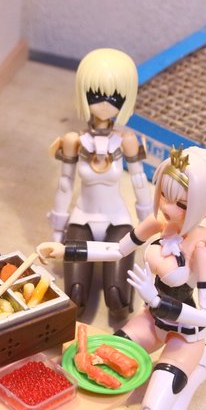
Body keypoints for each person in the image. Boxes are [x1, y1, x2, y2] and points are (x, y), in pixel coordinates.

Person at [38, 146, 206, 410]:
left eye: (181, 203)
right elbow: (117, 250)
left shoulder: (202, 250)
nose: (167, 207)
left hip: (185, 334)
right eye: (164, 194)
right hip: (150, 322)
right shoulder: (159, 225)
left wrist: (158, 301)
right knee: (91, 366)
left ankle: (202, 362)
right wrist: (67, 250)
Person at [47, 48, 153, 319]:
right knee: (75, 295)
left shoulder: (126, 140)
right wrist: (57, 230)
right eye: (96, 95)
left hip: (117, 220)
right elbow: (64, 183)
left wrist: (148, 225)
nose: (105, 104)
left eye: (115, 97)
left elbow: (140, 181)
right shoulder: (74, 141)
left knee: (117, 297)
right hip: (82, 218)